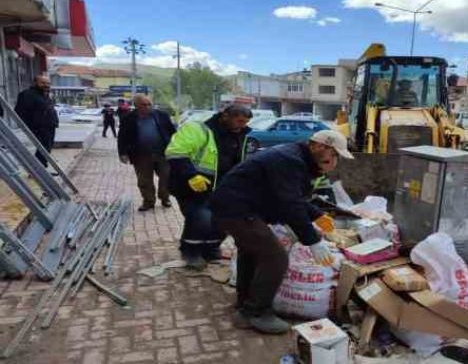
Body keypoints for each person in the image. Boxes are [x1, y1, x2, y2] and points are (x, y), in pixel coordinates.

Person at [210, 130, 354, 334]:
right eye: (334, 154)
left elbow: (287, 195)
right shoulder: (290, 161)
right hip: (237, 210)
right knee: (275, 257)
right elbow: (289, 204)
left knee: (251, 252)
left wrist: (316, 214)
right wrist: (312, 241)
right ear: (318, 147)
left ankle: (245, 305)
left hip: (235, 206)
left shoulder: (295, 157)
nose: (334, 161)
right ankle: (256, 312)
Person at [165, 105, 253, 269]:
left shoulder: (244, 134)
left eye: (246, 122)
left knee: (222, 221)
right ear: (225, 116)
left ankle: (211, 249)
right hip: (192, 185)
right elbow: (176, 153)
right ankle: (191, 253)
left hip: (223, 187)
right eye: (239, 121)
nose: (242, 125)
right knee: (201, 218)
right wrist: (191, 175)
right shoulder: (198, 130)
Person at [117, 94, 176, 211]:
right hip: (141, 154)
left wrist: (176, 149)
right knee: (144, 180)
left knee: (167, 176)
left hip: (162, 153)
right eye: (144, 105)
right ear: (136, 105)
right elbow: (122, 137)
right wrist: (122, 153)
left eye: (150, 104)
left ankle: (165, 198)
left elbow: (173, 132)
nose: (148, 107)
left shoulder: (162, 116)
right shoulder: (128, 118)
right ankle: (148, 201)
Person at [14, 75, 59, 167]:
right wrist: (29, 125)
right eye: (42, 83)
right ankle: (37, 168)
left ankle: (40, 168)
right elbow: (19, 111)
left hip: (49, 125)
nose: (46, 85)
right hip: (38, 126)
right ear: (35, 83)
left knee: (47, 147)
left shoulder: (45, 94)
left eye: (48, 83)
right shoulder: (27, 94)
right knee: (43, 147)